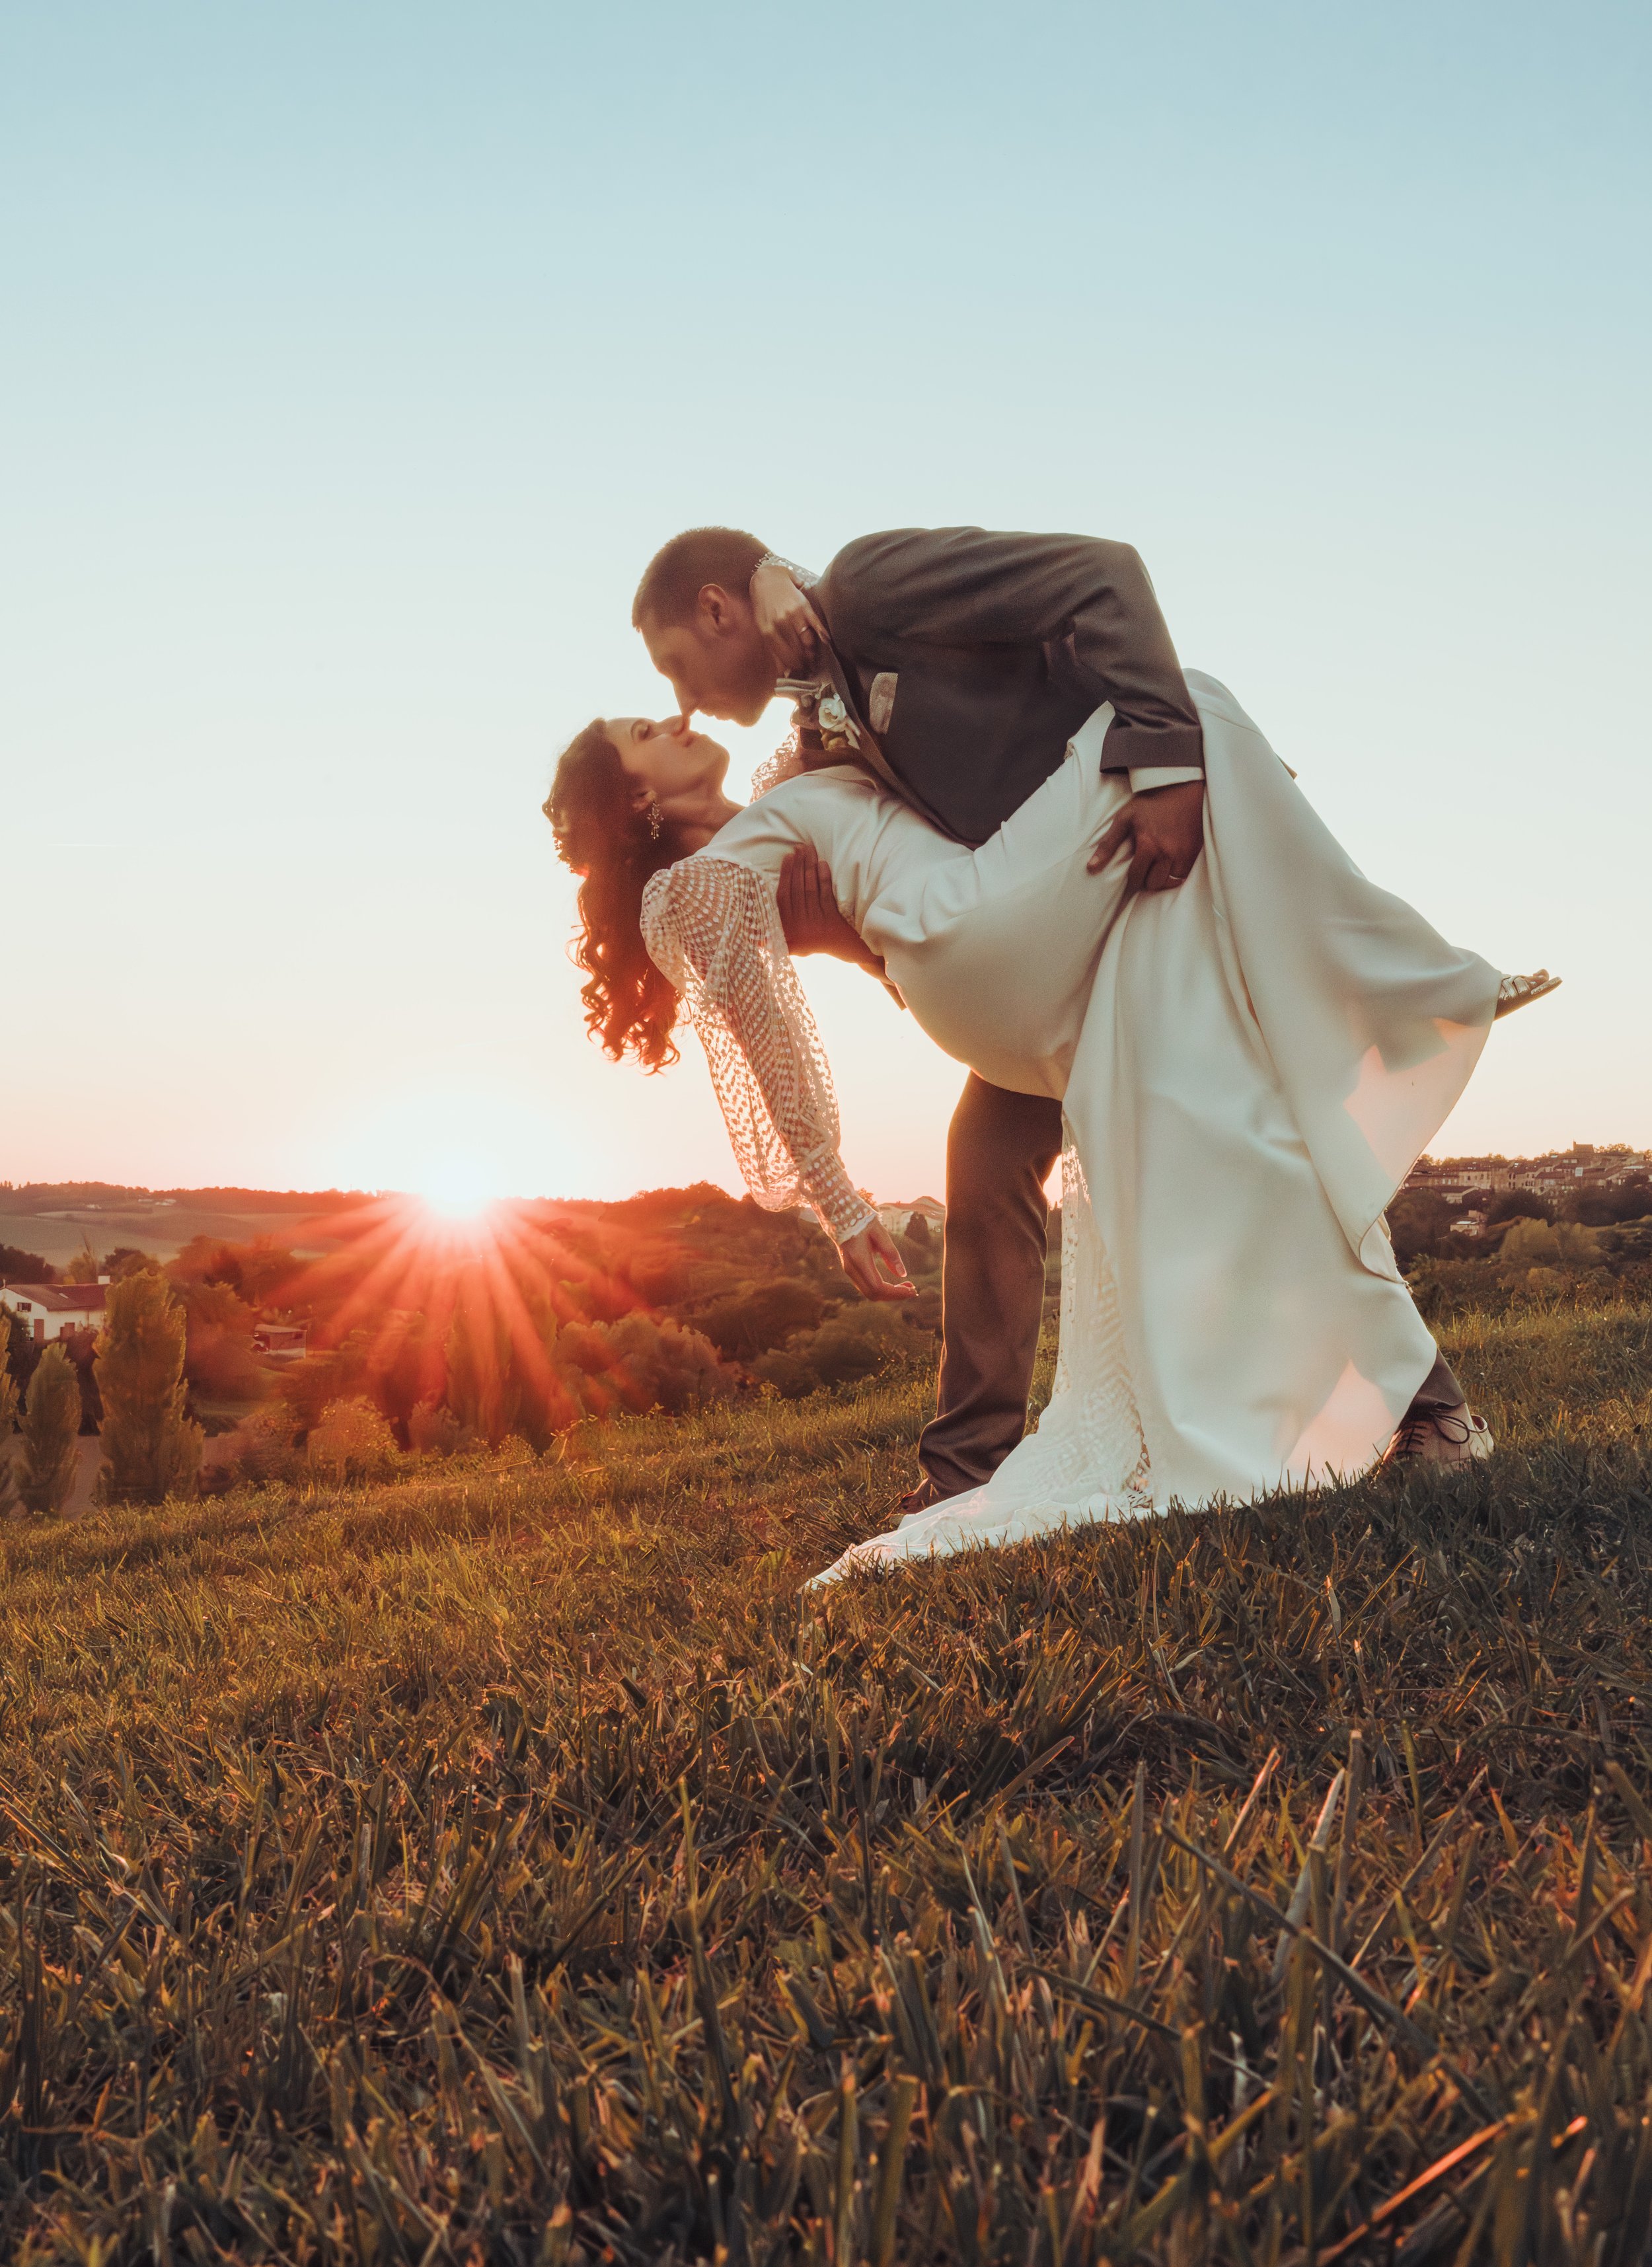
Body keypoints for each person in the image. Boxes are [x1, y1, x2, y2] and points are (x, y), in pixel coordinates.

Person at [543, 654, 1548, 1582]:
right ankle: (1404, 990)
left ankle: (1413, 1391)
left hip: (1031, 932)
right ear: (633, 796)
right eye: (643, 725)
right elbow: (774, 1040)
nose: (671, 712)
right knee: (1179, 711)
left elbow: (897, 785)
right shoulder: (696, 887)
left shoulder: (785, 778)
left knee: (1192, 1126)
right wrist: (842, 1203)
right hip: (993, 946)